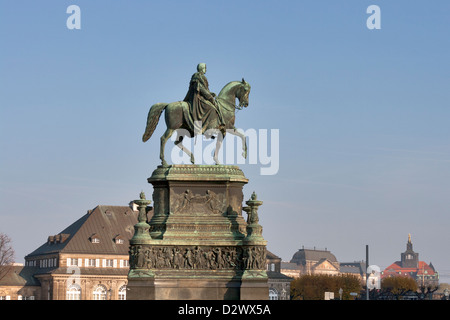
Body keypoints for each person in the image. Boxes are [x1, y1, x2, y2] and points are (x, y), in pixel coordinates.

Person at [183, 63, 225, 132]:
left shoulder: (195, 76)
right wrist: (210, 97)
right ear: (202, 68)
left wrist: (211, 93)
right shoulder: (201, 77)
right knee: (212, 108)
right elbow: (202, 90)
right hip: (198, 98)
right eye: (205, 68)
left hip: (194, 97)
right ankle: (207, 127)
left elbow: (204, 89)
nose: (206, 69)